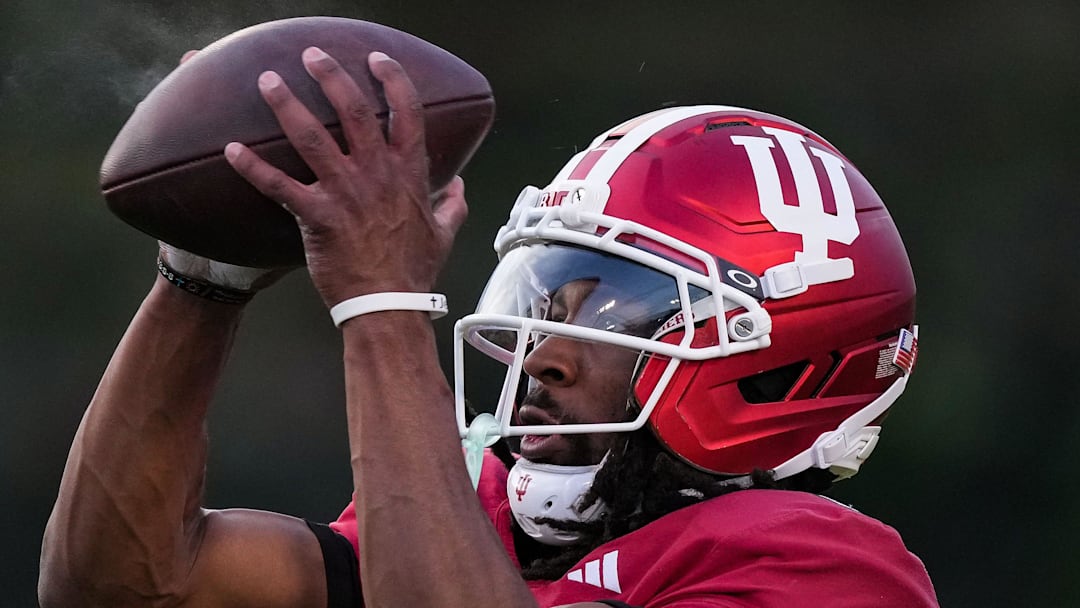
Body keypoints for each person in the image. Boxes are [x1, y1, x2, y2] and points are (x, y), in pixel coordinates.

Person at [39, 46, 938, 608]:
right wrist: (202, 283)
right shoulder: (484, 516)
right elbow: (122, 586)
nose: (542, 354)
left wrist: (382, 306)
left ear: (770, 367)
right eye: (548, 299)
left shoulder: (831, 571)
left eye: (614, 311)